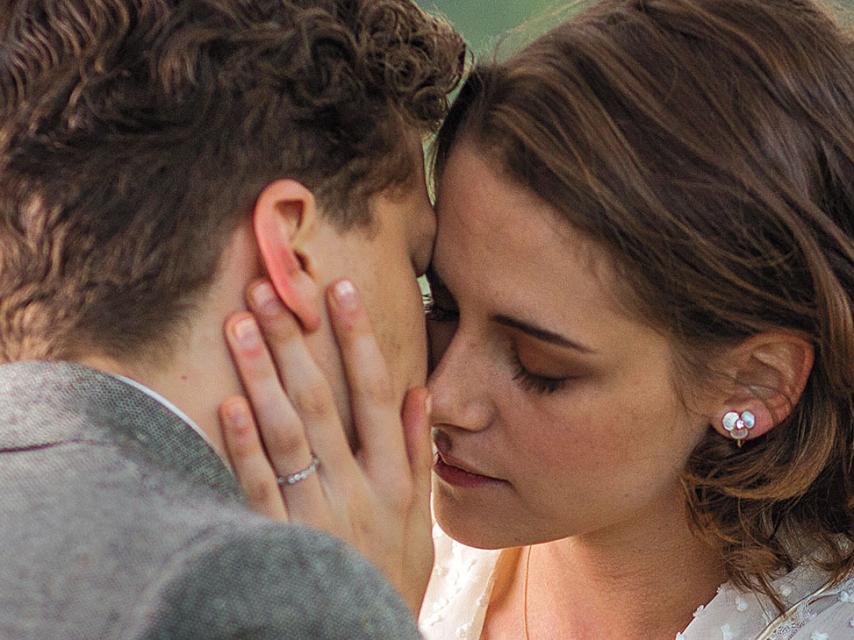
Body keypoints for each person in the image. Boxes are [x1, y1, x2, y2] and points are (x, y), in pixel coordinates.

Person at [220, 0, 854, 638]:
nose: (442, 398)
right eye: (440, 304)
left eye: (540, 368)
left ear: (754, 383)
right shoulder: (376, 537)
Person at [0, 0, 465, 637]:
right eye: (416, 266)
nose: (440, 372)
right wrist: (359, 601)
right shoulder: (250, 586)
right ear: (290, 250)